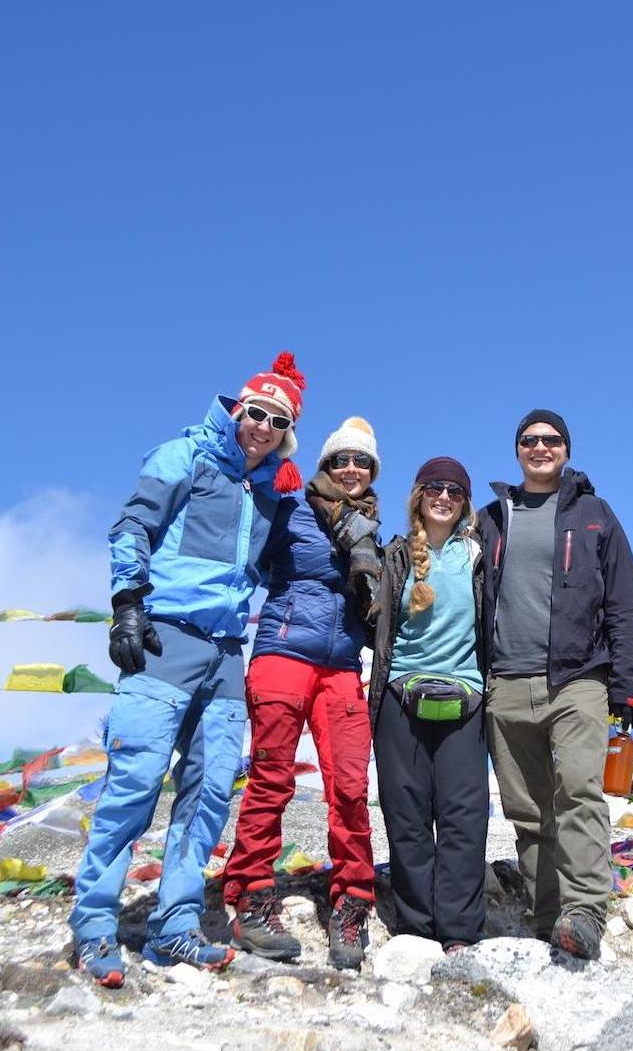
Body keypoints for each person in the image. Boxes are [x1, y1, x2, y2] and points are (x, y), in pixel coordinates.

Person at [70, 353, 306, 988]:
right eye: (254, 412)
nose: (261, 426)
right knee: (135, 786)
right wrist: (125, 602)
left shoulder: (270, 491)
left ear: (287, 433)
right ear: (237, 409)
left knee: (207, 795)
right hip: (164, 637)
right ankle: (94, 926)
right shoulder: (185, 456)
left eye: (276, 420)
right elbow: (133, 525)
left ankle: (173, 925)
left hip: (228, 653)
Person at [477, 409, 633, 960]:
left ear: (567, 450)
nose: (541, 448)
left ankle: (585, 911)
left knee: (577, 787)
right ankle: (547, 914)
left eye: (552, 440)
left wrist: (627, 683)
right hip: (504, 679)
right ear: (517, 450)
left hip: (577, 678)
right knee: (526, 809)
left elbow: (624, 600)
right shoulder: (489, 517)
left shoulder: (595, 514)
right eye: (530, 440)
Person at [223, 417, 382, 970]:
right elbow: (243, 553)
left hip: (341, 667)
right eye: (340, 460)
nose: (351, 470)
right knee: (271, 776)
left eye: (361, 462)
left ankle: (352, 901)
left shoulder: (373, 531)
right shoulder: (289, 505)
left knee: (350, 786)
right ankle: (249, 894)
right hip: (283, 655)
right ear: (324, 466)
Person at [368, 457, 488, 952]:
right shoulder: (393, 556)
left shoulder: (481, 557)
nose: (444, 497)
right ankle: (416, 927)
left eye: (455, 492)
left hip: (468, 696)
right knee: (407, 811)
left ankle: (459, 931)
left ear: (466, 504)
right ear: (418, 495)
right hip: (399, 694)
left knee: (465, 813)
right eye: (435, 488)